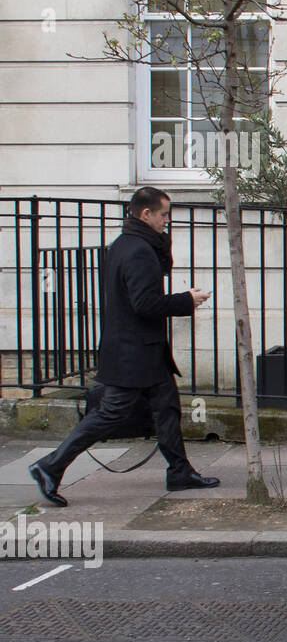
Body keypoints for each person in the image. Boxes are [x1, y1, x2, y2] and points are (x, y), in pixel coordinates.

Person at [29, 186, 219, 506]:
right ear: (146, 214)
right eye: (163, 215)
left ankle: (179, 471)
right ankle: (50, 466)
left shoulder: (124, 244)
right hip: (134, 352)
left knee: (167, 407)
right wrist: (187, 300)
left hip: (142, 349)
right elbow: (144, 303)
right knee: (110, 414)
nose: (166, 221)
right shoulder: (139, 250)